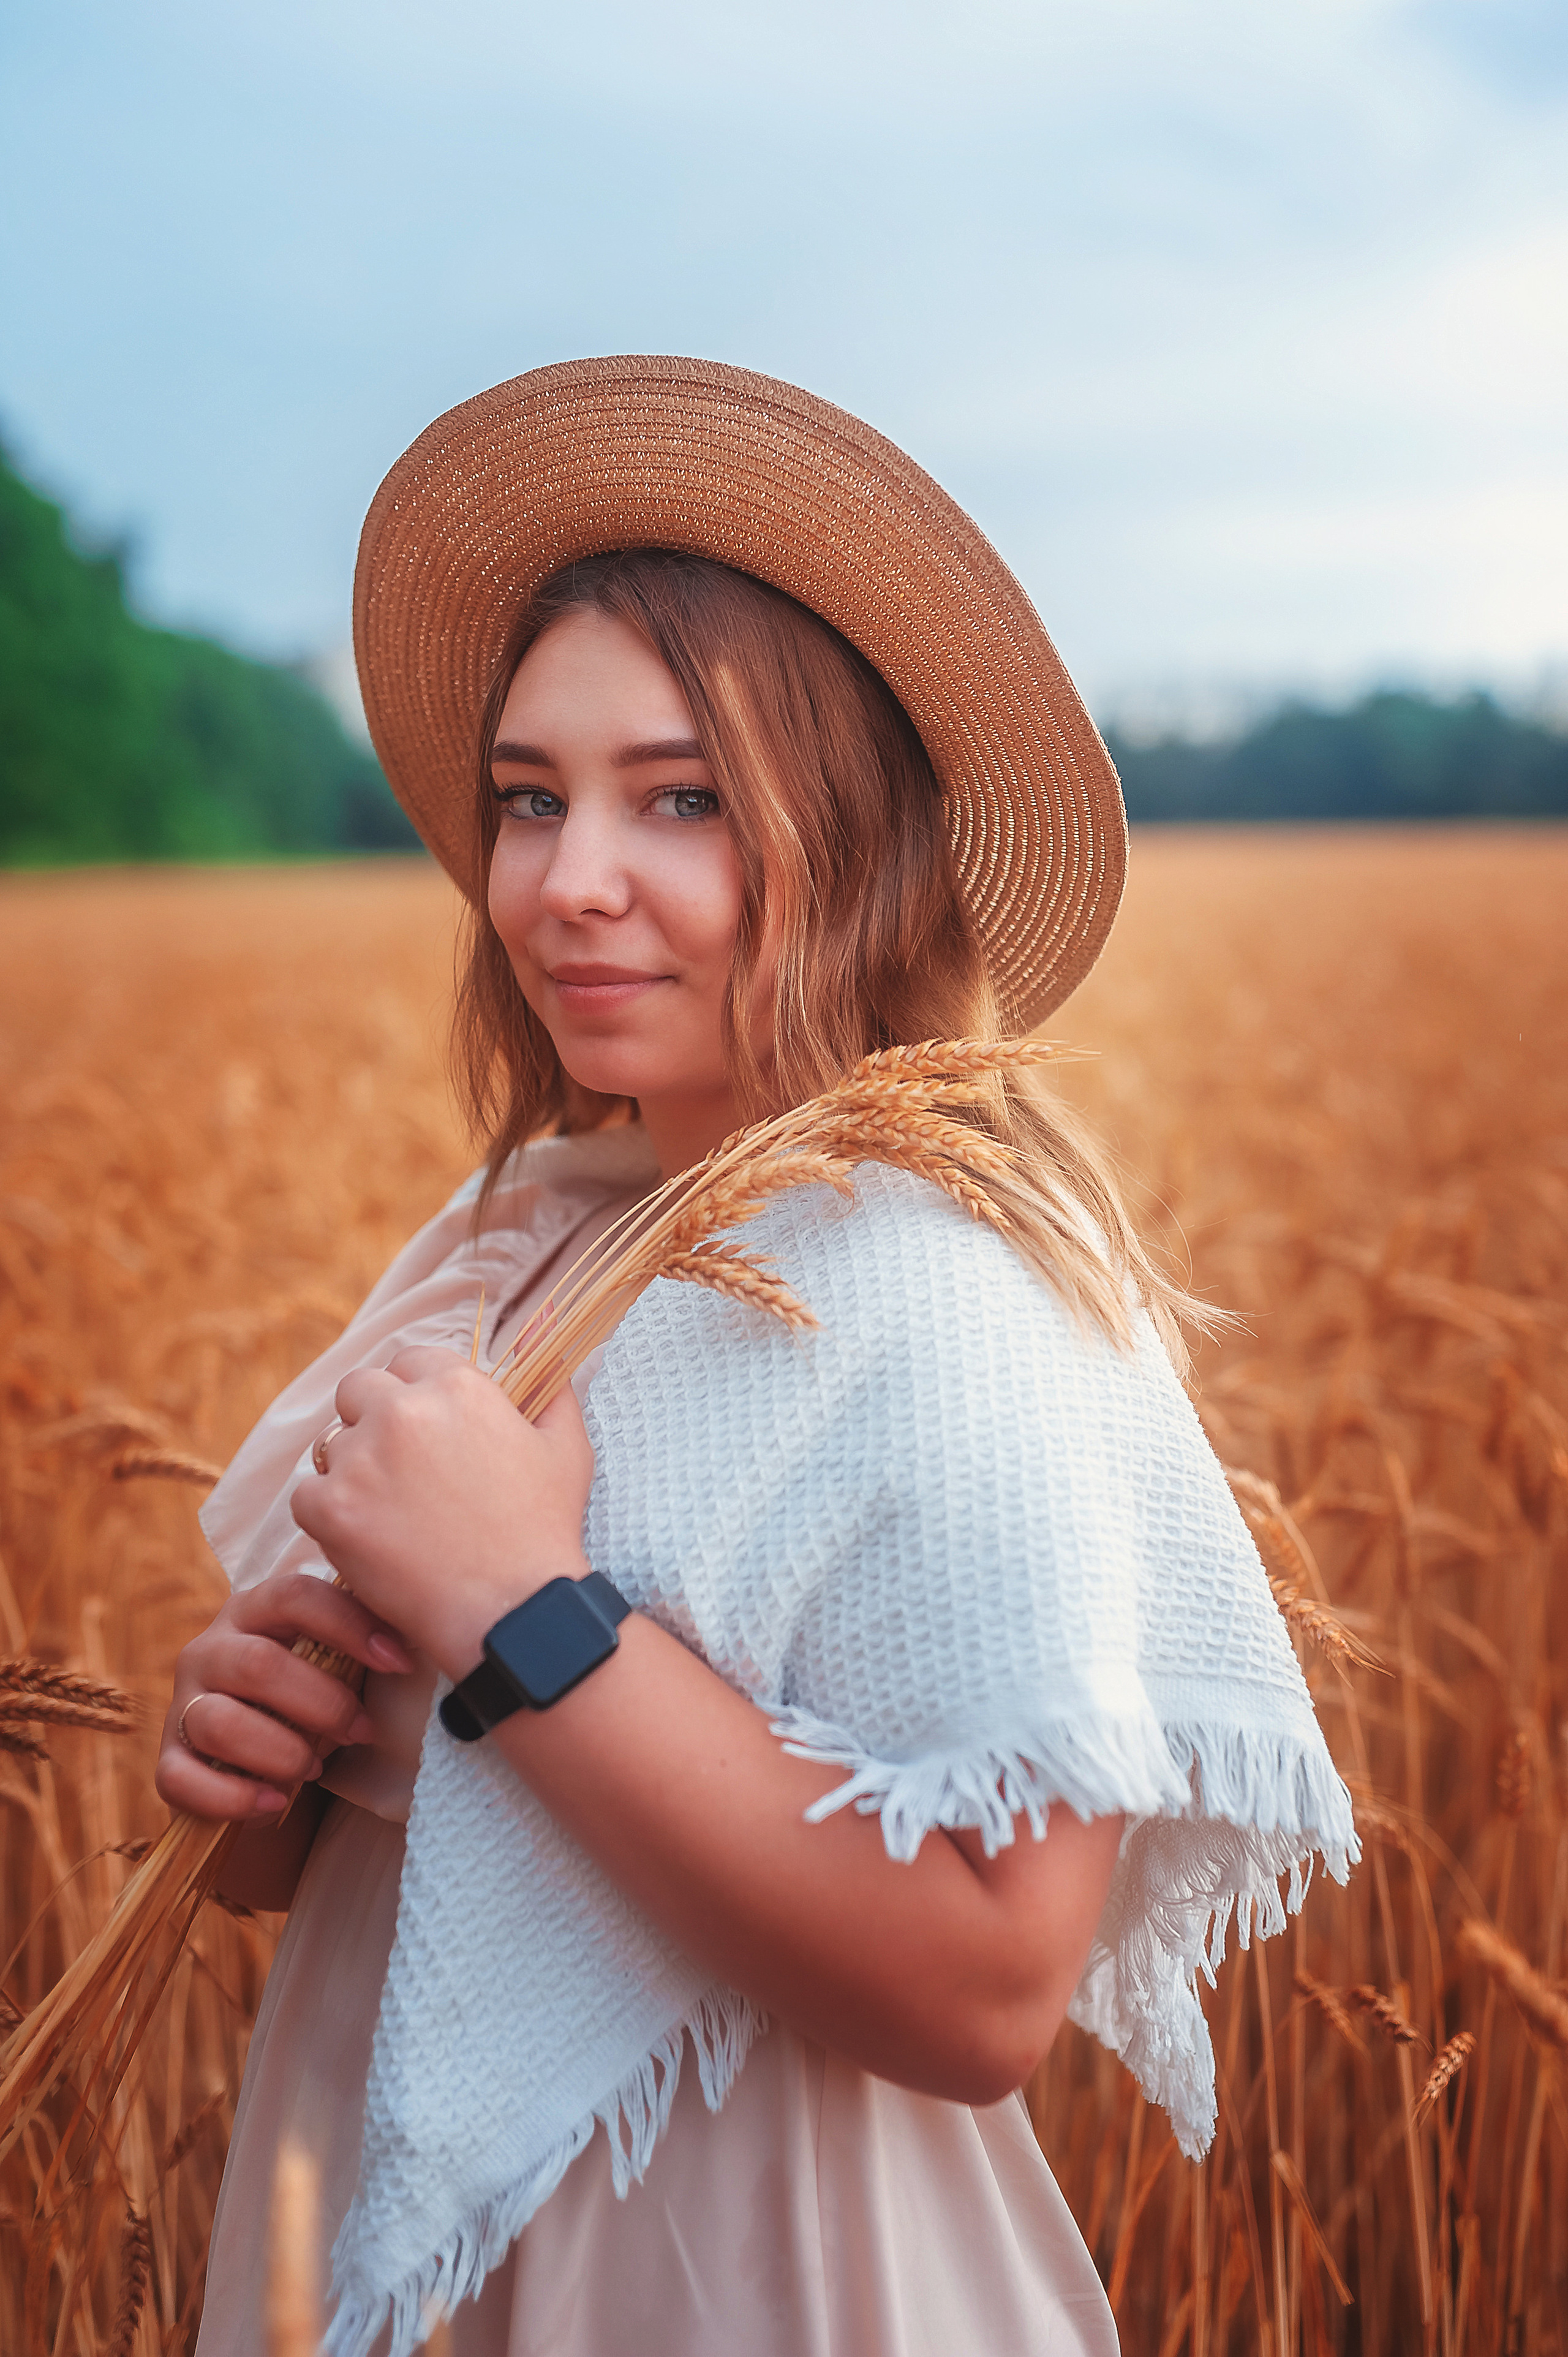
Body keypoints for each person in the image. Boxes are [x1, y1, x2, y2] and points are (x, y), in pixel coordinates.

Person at [159, 359, 1355, 2357]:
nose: (568, 881)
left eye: (681, 797)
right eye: (530, 798)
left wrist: (524, 1612)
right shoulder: (510, 1239)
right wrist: (248, 1770)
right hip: (394, 2253)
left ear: (855, 837)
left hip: (746, 2278)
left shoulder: (962, 1290)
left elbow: (985, 1989)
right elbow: (356, 1864)